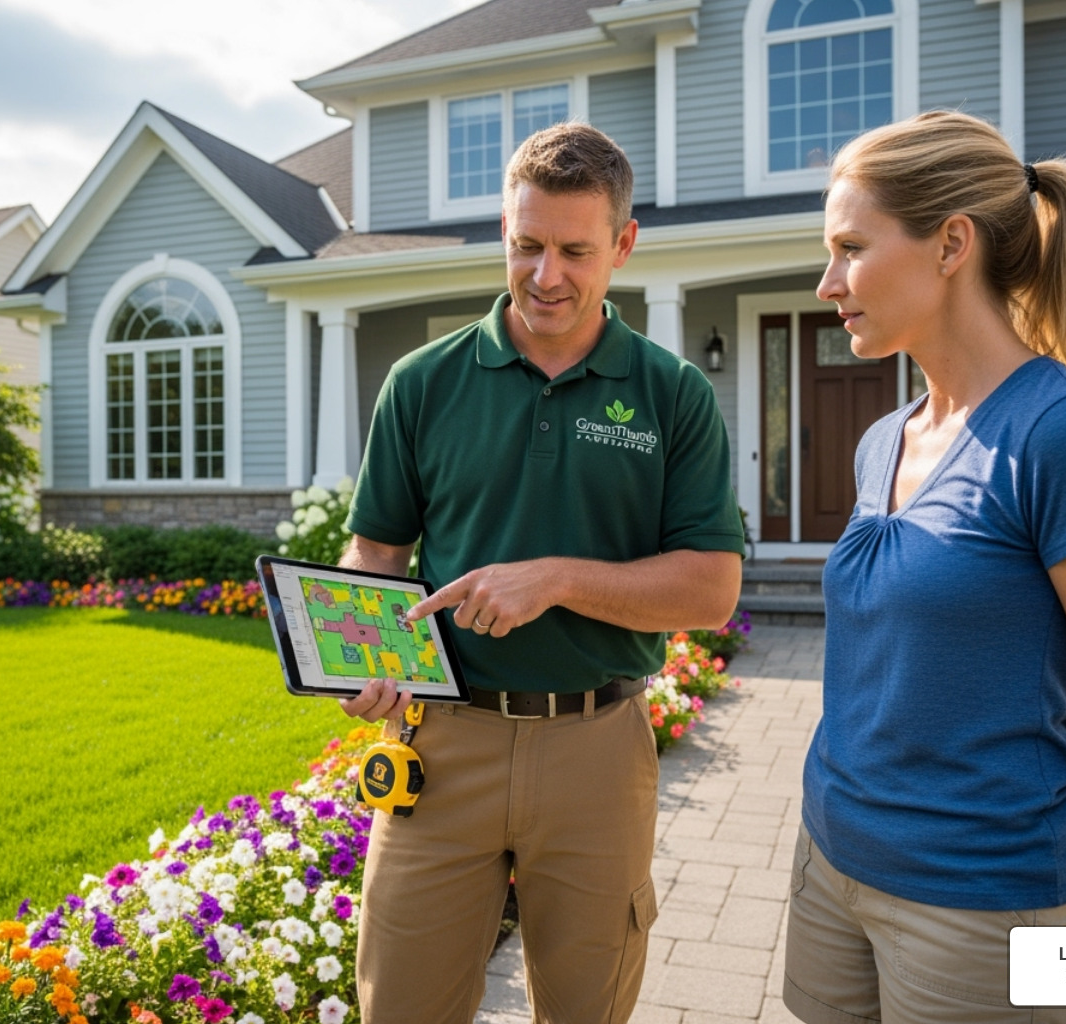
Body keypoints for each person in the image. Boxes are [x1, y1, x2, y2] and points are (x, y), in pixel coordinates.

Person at [783, 110, 1066, 1024]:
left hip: (983, 912)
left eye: (851, 248)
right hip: (830, 865)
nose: (828, 283)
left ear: (951, 245)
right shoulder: (883, 440)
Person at [336, 121, 744, 1024]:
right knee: (399, 1006)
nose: (545, 274)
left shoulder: (673, 394)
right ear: (504, 233)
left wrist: (555, 578)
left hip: (597, 748)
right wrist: (362, 647)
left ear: (623, 245)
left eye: (574, 250)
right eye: (526, 245)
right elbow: (376, 550)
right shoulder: (422, 381)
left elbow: (712, 590)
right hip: (440, 745)